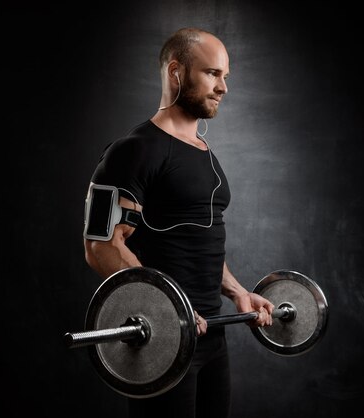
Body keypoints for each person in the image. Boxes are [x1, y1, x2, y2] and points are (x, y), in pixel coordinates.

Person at [83, 27, 275, 418]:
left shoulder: (203, 152)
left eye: (225, 76)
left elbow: (197, 240)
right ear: (176, 72)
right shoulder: (133, 151)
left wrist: (237, 292)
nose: (223, 87)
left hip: (213, 335)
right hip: (164, 340)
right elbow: (100, 246)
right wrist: (167, 309)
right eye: (212, 74)